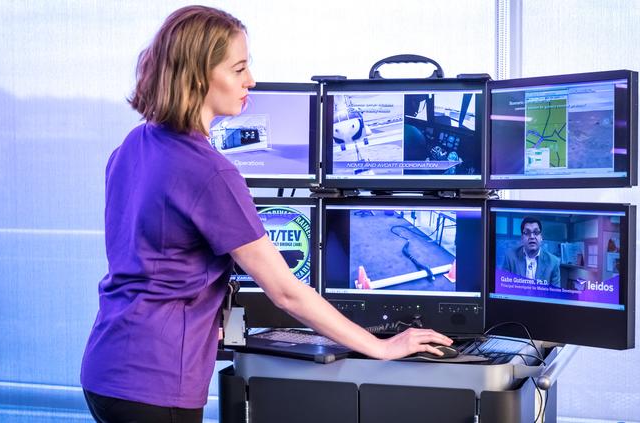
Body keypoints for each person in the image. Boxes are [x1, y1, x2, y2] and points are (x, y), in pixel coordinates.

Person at [80, 6, 452, 423]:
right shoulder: (210, 171)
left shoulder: (133, 144)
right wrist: (381, 345)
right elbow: (286, 291)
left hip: (105, 367)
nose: (250, 80)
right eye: (238, 68)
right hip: (156, 382)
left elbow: (150, 257)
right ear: (199, 75)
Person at [501, 216, 561, 287]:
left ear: (541, 237)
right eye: (527, 232)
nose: (532, 236)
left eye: (536, 232)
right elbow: (504, 288)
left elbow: (555, 294)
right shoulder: (510, 257)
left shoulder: (553, 262)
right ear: (522, 237)